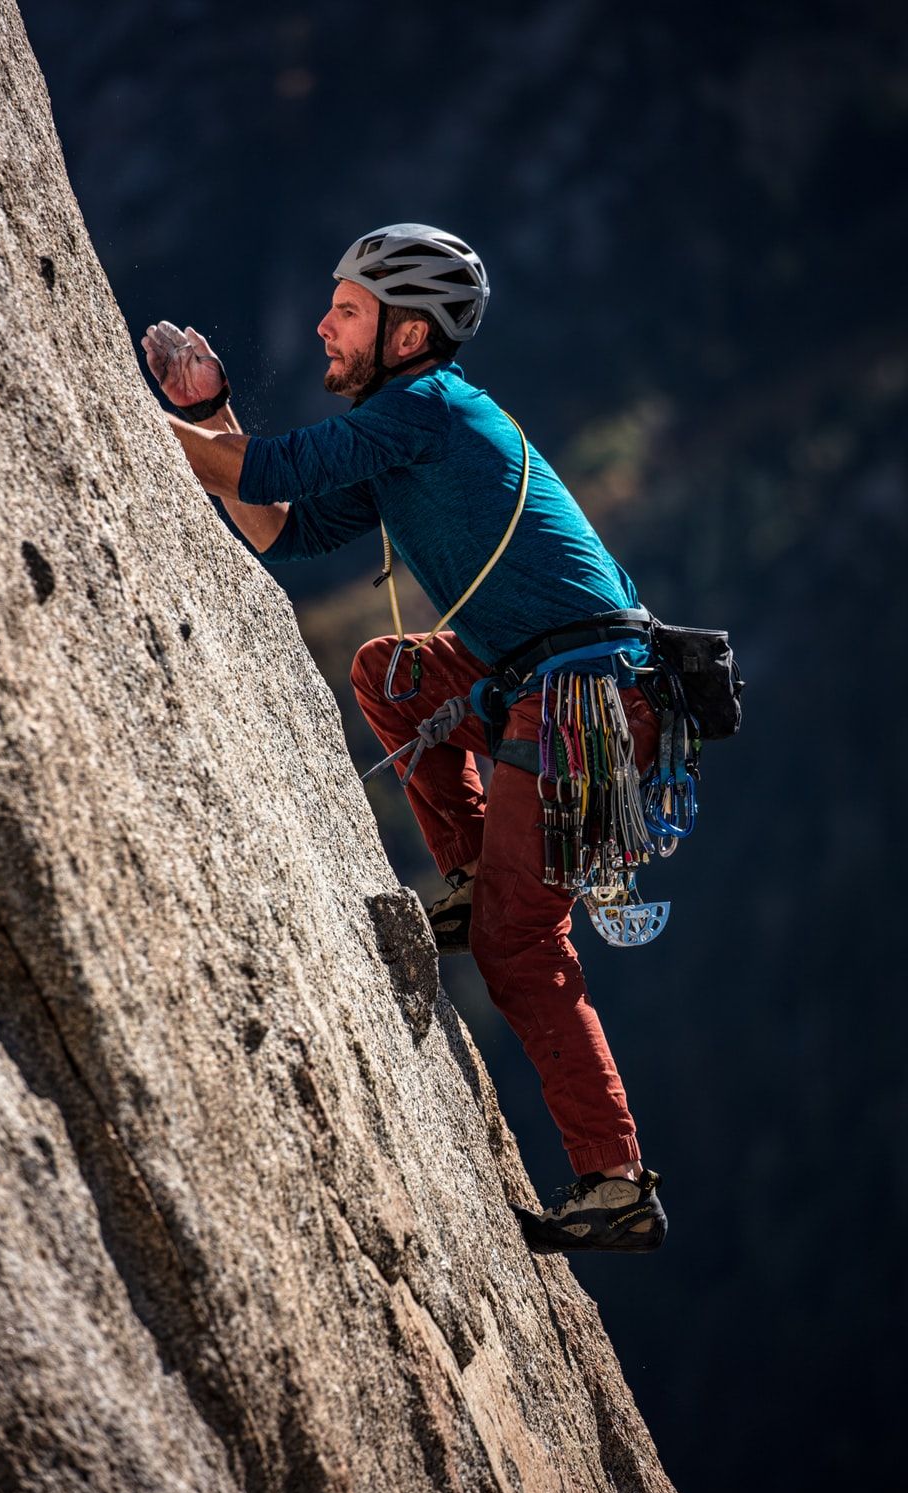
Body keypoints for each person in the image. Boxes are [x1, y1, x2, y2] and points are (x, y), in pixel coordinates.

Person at [141, 223, 666, 1254]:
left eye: (345, 312)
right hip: (548, 683)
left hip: (583, 701)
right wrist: (205, 415)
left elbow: (257, 469)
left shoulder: (422, 408)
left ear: (410, 332)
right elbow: (281, 525)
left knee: (522, 949)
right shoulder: (408, 421)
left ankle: (616, 1184)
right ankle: (469, 879)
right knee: (391, 672)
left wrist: (144, 417)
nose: (323, 327)